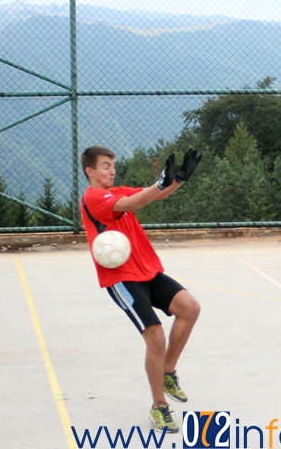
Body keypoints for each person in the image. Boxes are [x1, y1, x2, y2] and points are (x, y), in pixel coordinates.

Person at [81, 146, 202, 433]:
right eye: (106, 166)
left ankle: (167, 371)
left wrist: (178, 180)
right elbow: (131, 203)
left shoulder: (116, 191)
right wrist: (159, 183)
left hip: (147, 270)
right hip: (122, 279)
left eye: (113, 165)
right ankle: (159, 406)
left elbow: (152, 195)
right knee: (155, 336)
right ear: (90, 171)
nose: (112, 171)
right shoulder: (93, 198)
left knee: (190, 307)